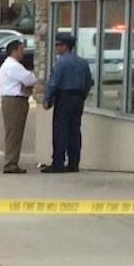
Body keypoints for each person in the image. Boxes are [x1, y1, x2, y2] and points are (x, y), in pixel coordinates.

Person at [41, 33, 94, 173]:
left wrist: (47, 98)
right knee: (75, 131)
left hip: (64, 98)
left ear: (64, 46)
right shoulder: (82, 62)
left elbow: (54, 83)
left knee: (61, 131)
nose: (56, 48)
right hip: (78, 99)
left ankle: (58, 163)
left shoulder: (61, 62)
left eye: (58, 45)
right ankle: (73, 163)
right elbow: (89, 82)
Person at [0, 38, 36, 173]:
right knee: (14, 133)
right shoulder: (13, 65)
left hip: (13, 99)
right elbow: (29, 79)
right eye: (21, 50)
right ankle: (10, 163)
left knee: (14, 132)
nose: (23, 53)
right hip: (15, 100)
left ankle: (12, 161)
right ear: (14, 51)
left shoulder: (9, 65)